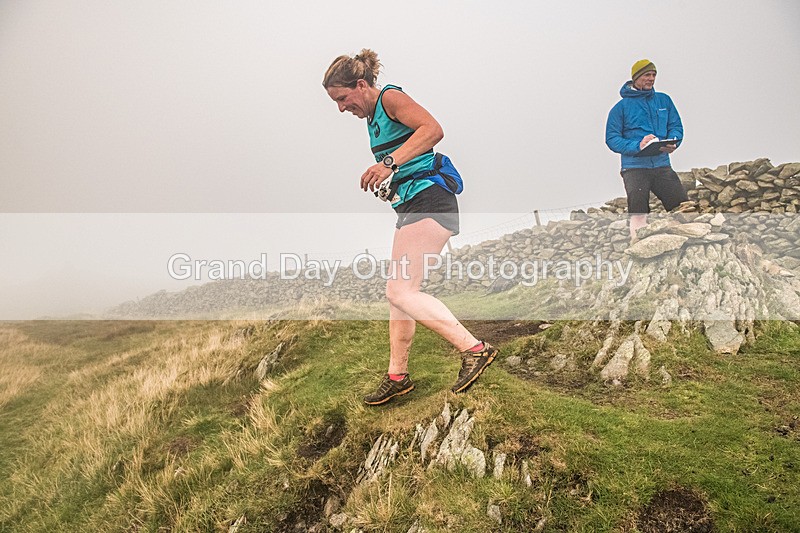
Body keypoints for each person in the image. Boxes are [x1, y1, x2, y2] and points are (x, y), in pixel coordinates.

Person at [322, 49, 497, 405]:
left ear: (360, 85)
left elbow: (433, 130)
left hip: (433, 201)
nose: (341, 108)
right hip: (413, 204)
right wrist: (393, 181)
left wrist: (388, 163)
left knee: (401, 291)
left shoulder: (390, 99)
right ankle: (397, 376)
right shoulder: (373, 119)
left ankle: (475, 349)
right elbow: (409, 157)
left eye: (342, 99)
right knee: (398, 297)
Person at [605, 59, 688, 242]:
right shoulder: (620, 108)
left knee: (682, 207)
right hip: (634, 168)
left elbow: (675, 126)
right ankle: (638, 246)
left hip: (662, 164)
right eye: (646, 75)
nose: (651, 79)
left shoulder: (664, 100)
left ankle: (689, 243)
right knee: (638, 212)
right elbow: (612, 138)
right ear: (635, 78)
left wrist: (674, 142)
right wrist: (638, 146)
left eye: (653, 75)